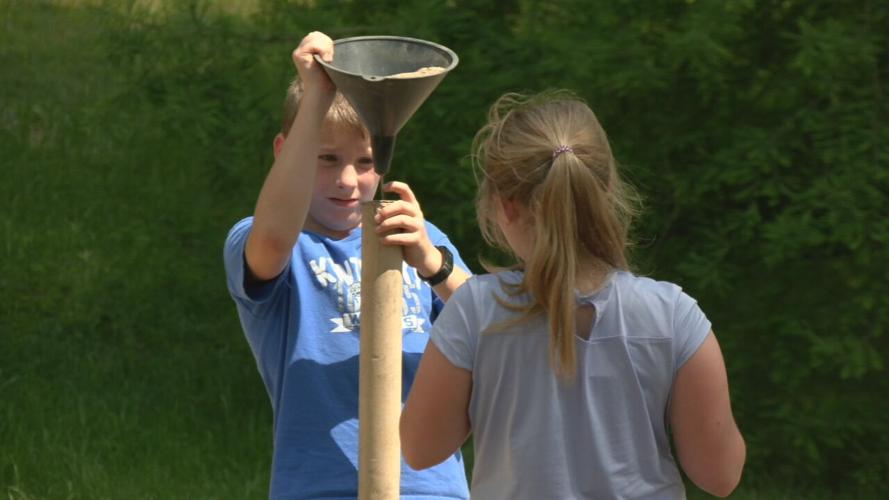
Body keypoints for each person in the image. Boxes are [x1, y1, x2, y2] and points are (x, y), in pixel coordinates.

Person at [400, 91, 746, 499]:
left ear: (505, 206)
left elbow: (420, 449)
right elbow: (720, 475)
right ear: (605, 189)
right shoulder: (674, 316)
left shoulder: (475, 310)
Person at [223, 31, 471, 499]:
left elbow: (494, 323)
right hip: (319, 488)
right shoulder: (273, 241)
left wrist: (433, 263)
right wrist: (317, 93)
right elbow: (272, 239)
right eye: (326, 158)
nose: (346, 181)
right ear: (286, 152)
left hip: (430, 488)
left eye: (365, 162)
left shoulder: (420, 237)